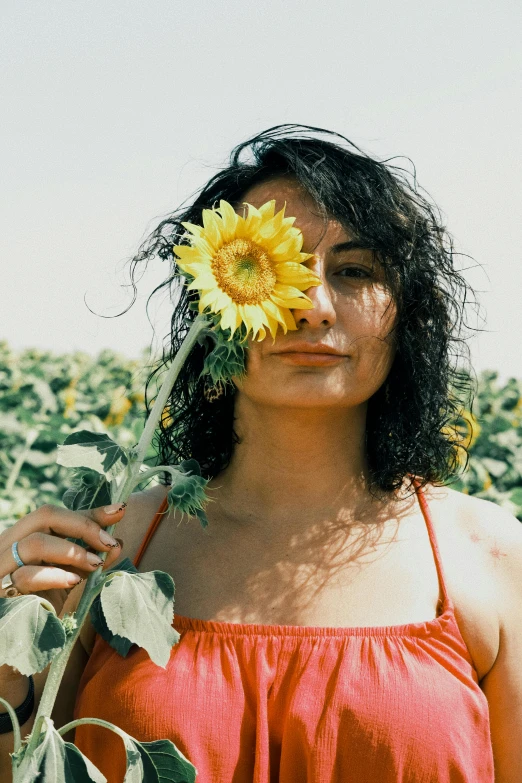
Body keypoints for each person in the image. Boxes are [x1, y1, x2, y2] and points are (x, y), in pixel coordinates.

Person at [1, 125, 520, 782]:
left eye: (355, 271)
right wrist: (7, 658)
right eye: (273, 270)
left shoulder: (493, 563)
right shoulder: (112, 546)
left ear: (404, 313)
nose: (313, 306)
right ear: (211, 302)